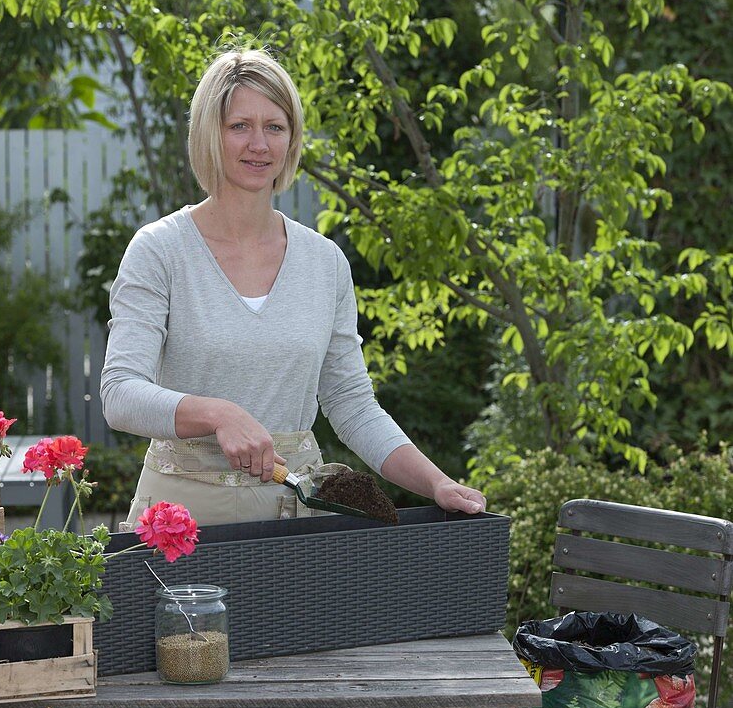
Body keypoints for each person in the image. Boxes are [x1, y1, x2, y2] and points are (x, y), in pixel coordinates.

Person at [100, 48, 486, 528]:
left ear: (292, 138)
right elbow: (120, 394)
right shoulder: (159, 250)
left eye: (275, 127)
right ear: (207, 134)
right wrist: (218, 414)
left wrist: (436, 483)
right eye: (239, 125)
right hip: (181, 524)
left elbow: (352, 403)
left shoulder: (325, 263)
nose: (258, 144)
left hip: (298, 522)